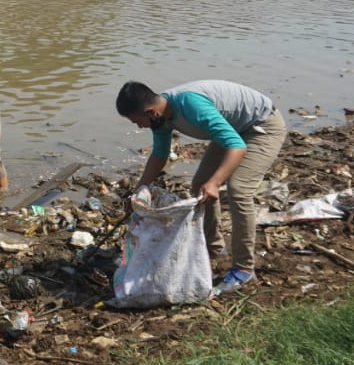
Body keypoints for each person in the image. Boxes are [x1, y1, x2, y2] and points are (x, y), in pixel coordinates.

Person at [114, 79, 286, 294]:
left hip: (261, 126)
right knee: (199, 185)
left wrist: (215, 182)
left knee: (239, 189)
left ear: (150, 112)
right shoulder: (161, 117)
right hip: (234, 129)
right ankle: (214, 247)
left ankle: (244, 269)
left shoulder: (190, 106)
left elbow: (236, 146)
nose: (140, 127)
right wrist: (139, 191)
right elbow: (159, 155)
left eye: (138, 121)